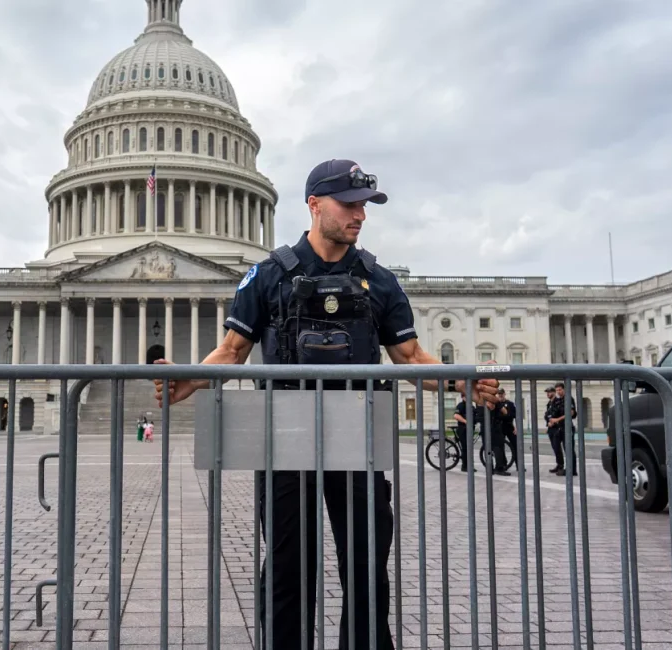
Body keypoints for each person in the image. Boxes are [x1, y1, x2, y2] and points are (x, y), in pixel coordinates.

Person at [152, 159, 500, 649]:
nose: (360, 215)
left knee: (365, 563)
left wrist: (462, 382)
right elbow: (232, 350)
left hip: (357, 436)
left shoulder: (379, 280)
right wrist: (195, 378)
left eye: (364, 205)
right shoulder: (268, 275)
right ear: (314, 205)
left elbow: (410, 357)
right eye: (349, 204)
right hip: (286, 438)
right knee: (289, 564)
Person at [547, 382, 577, 476]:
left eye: (560, 389)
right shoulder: (559, 400)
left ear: (564, 389)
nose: (558, 392)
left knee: (569, 449)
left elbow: (571, 413)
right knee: (558, 447)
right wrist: (551, 421)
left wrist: (557, 419)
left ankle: (572, 470)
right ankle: (561, 466)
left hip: (567, 427)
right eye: (557, 390)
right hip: (560, 428)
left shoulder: (569, 398)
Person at [495, 388, 517, 473]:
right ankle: (504, 464)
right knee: (501, 447)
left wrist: (516, 427)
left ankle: (518, 465)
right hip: (500, 427)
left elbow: (514, 415)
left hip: (509, 426)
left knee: (515, 446)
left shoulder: (510, 404)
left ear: (504, 394)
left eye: (502, 393)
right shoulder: (496, 404)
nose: (500, 395)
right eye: (499, 394)